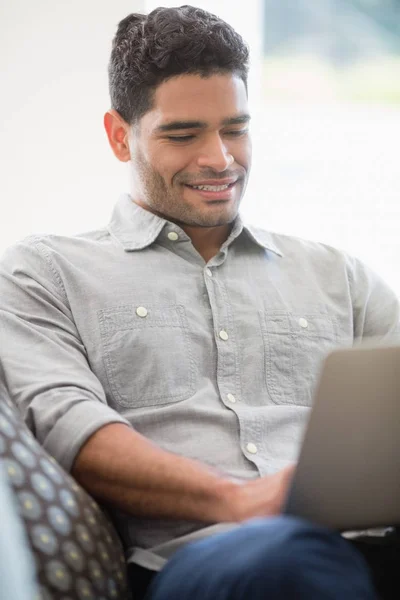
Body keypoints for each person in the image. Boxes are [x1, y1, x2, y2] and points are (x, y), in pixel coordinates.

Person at [0, 5, 399, 599]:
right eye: (183, 134)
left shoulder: (338, 274)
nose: (220, 159)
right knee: (288, 561)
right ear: (119, 135)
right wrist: (237, 500)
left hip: (374, 542)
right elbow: (67, 423)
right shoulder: (43, 273)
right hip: (210, 562)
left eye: (235, 129)